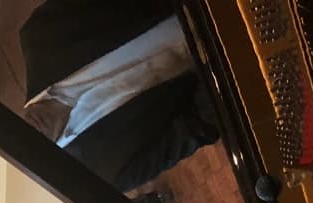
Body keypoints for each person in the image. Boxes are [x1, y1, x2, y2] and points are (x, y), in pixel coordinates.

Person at [18, 0, 218, 193]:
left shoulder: (41, 36)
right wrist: (223, 68)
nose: (26, 132)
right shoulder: (104, 172)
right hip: (221, 60)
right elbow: (195, 129)